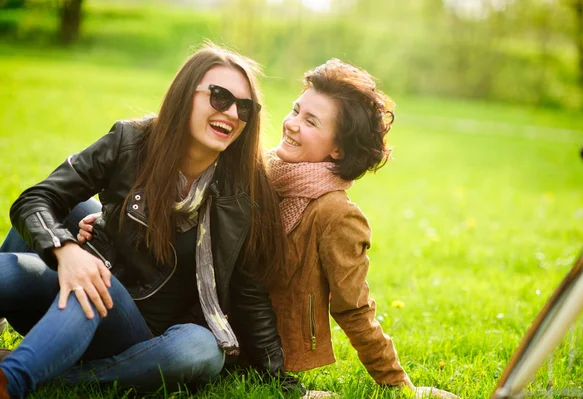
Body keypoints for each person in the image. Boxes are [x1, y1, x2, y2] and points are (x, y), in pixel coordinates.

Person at [73, 59, 459, 398]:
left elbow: (355, 308)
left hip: (235, 334)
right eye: (295, 110)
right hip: (176, 295)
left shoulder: (336, 215)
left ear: (338, 149)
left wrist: (396, 384)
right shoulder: (255, 169)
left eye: (310, 121)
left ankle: (68, 373)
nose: (290, 125)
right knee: (69, 206)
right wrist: (112, 225)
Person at [0, 43, 298, 399]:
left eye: (244, 107)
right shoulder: (130, 141)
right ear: (186, 95)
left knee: (201, 347)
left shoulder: (246, 191)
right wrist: (66, 251)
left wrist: (281, 382)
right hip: (83, 290)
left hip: (144, 334)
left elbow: (250, 294)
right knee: (28, 257)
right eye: (219, 97)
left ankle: (17, 379)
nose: (232, 112)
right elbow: (35, 199)